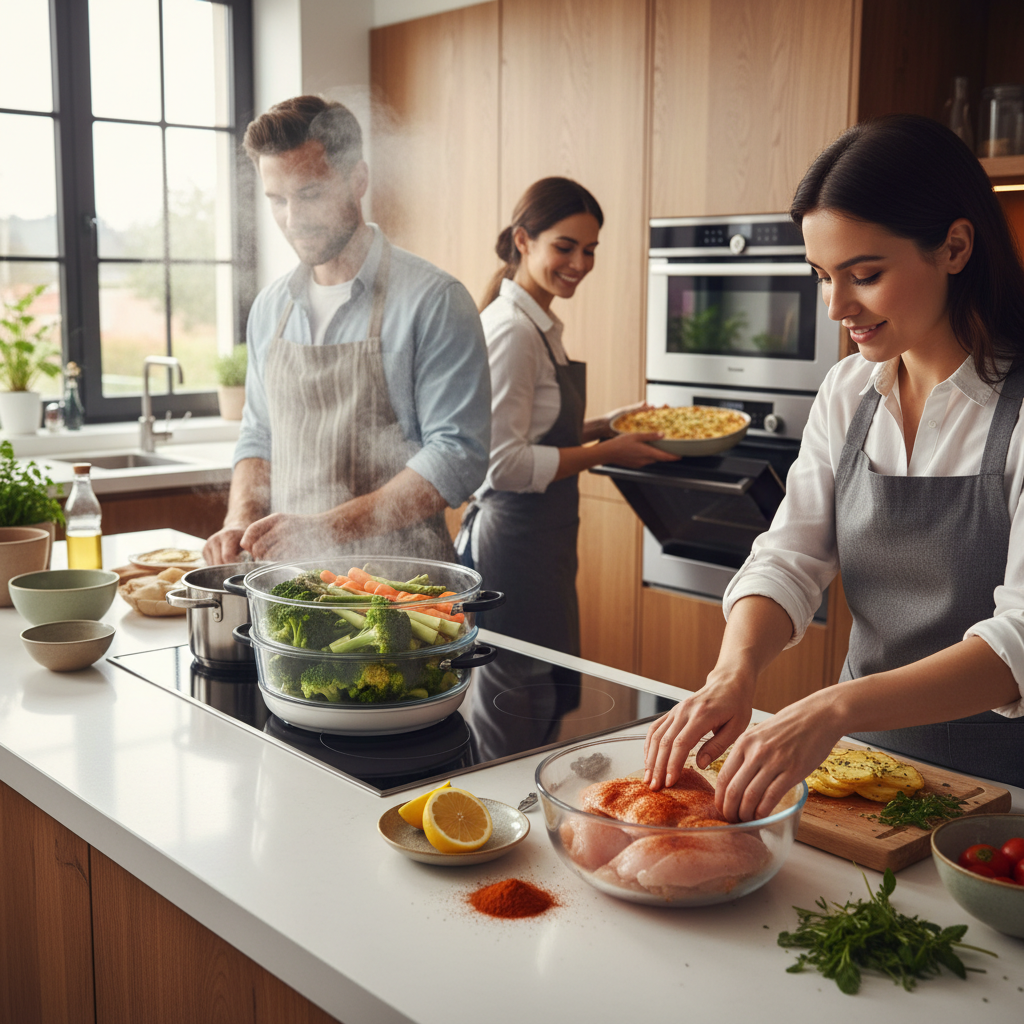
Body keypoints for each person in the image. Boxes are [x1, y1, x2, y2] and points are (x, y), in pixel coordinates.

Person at [643, 114, 1024, 821]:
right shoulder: (850, 392)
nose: (835, 308)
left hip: (1002, 794)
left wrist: (830, 706)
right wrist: (735, 672)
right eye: (821, 277)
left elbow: (1018, 644)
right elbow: (790, 555)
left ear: (956, 247)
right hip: (859, 767)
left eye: (865, 275)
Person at [203, 96, 491, 565]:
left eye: (311, 194)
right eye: (277, 200)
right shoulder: (271, 308)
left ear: (358, 179)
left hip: (401, 592)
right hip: (290, 590)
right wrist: (238, 519)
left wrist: (326, 529)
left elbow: (456, 457)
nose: (292, 220)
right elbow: (259, 435)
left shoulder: (435, 301)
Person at [457, 177, 676, 658]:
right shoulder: (512, 331)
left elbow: (534, 431)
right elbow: (504, 464)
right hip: (512, 545)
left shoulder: (539, 324)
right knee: (514, 697)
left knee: (540, 691)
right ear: (523, 240)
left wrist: (607, 426)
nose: (580, 264)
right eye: (565, 247)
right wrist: (607, 452)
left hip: (543, 540)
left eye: (590, 249)